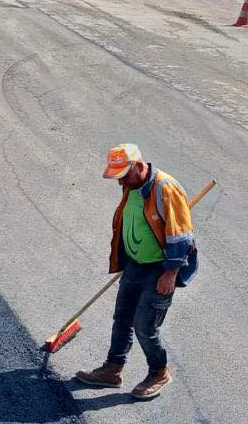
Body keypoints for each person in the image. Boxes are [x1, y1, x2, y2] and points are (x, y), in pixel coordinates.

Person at [74, 144, 196, 400]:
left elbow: (181, 236)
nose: (120, 181)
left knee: (145, 325)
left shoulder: (165, 188)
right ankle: (112, 370)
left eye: (124, 175)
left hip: (160, 269)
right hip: (134, 264)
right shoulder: (131, 186)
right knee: (122, 318)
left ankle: (159, 371)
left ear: (139, 166)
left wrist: (171, 273)